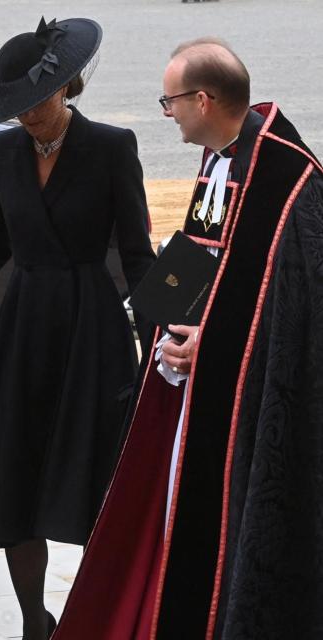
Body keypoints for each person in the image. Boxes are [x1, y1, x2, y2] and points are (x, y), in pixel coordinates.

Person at [54, 38, 323, 640]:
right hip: (190, 377)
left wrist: (213, 344)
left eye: (170, 100)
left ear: (203, 100)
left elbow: (294, 309)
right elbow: (200, 254)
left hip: (241, 400)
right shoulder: (220, 157)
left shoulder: (287, 177)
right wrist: (158, 320)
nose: (165, 112)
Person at [0, 17, 155, 640]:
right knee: (18, 479)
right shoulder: (4, 149)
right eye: (14, 106)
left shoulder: (111, 146)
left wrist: (163, 342)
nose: (26, 116)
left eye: (35, 101)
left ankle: (102, 614)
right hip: (23, 333)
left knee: (94, 480)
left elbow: (140, 251)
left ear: (66, 85)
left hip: (91, 332)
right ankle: (33, 623)